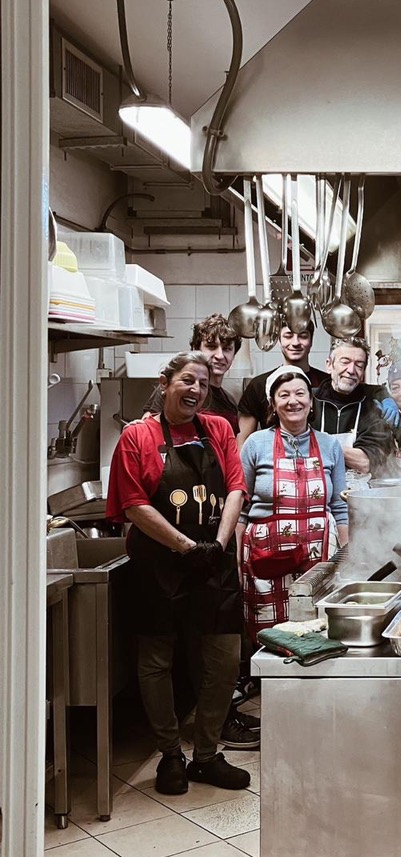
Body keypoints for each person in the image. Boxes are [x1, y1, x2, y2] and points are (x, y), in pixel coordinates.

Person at [106, 351, 251, 795]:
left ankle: (206, 755)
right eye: (188, 381)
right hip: (160, 563)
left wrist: (218, 545)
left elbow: (235, 488)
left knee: (224, 657)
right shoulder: (137, 436)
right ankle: (171, 754)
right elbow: (133, 504)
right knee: (157, 660)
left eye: (203, 385)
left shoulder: (219, 429)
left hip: (213, 556)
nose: (196, 391)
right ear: (166, 382)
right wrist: (184, 546)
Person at [239, 367, 348, 647]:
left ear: (311, 402)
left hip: (320, 558)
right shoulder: (256, 444)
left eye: (300, 393)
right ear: (273, 404)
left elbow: (339, 507)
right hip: (268, 558)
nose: (293, 400)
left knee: (319, 629)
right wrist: (235, 561)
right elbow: (240, 505)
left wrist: (348, 561)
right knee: (271, 638)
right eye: (283, 395)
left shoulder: (330, 445)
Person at [312, 337, 393, 482]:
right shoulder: (308, 401)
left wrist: (315, 444)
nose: (351, 370)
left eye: (359, 365)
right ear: (329, 365)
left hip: (358, 495)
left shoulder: (372, 407)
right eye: (345, 362)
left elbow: (365, 463)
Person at [236, 323, 326, 445]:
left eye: (303, 336)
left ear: (311, 341)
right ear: (279, 340)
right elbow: (242, 441)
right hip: (269, 460)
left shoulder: (327, 384)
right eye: (288, 336)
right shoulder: (258, 385)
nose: (295, 342)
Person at [190, 313, 242, 431]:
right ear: (196, 349)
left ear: (234, 354)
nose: (220, 355)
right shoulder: (179, 389)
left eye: (227, 349)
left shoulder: (230, 402)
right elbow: (150, 429)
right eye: (211, 346)